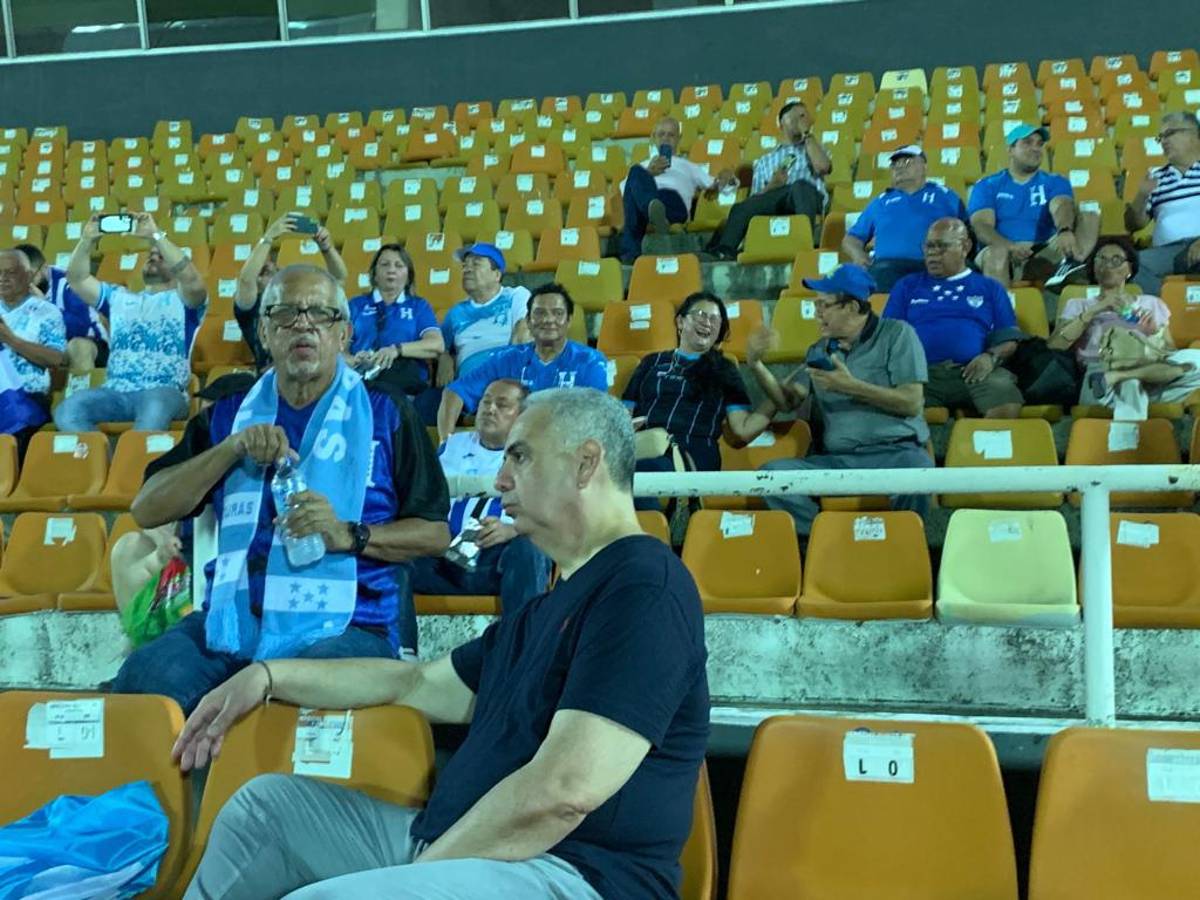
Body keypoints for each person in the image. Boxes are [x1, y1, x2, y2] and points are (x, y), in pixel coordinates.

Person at [174, 388, 709, 900]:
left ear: (586, 463)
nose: (500, 481)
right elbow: (415, 681)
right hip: (459, 849)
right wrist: (266, 676)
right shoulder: (544, 610)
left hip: (570, 872)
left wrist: (417, 879)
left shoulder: (644, 585)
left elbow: (565, 791)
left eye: (519, 458)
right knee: (264, 811)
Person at [109, 264, 450, 714]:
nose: (303, 324)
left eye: (320, 314)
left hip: (349, 625)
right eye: (286, 314)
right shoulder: (226, 416)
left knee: (293, 705)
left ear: (344, 334)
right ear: (265, 333)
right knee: (143, 683)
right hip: (232, 623)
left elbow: (435, 534)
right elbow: (147, 508)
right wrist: (229, 450)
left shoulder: (388, 414)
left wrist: (351, 535)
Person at [746, 263, 932, 536]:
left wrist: (852, 386)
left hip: (895, 455)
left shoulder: (897, 334)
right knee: (772, 475)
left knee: (919, 471)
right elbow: (787, 402)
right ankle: (829, 542)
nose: (816, 312)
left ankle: (904, 545)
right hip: (839, 461)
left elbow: (911, 402)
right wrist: (756, 364)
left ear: (853, 308)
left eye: (824, 305)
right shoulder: (819, 349)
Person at [56, 213, 206, 432]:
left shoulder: (185, 303)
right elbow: (77, 279)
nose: (153, 257)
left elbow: (192, 279)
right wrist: (87, 241)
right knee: (68, 410)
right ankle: (103, 462)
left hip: (164, 392)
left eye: (161, 256)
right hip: (116, 393)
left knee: (153, 408)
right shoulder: (119, 298)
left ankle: (135, 464)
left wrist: (156, 236)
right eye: (150, 255)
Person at [412, 378, 550, 617]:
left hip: (498, 561)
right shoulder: (452, 446)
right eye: (485, 402)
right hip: (444, 557)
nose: (489, 409)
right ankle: (400, 647)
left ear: (522, 415)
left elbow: (555, 515)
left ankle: (523, 645)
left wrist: (514, 530)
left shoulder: (539, 454)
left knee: (529, 547)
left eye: (502, 404)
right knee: (393, 556)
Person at [884, 218, 1025, 418]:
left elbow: (1008, 338)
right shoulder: (907, 286)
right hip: (920, 375)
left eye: (941, 246)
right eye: (929, 246)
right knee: (892, 403)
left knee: (1004, 396)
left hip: (974, 371)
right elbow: (889, 334)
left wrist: (990, 357)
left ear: (965, 246)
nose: (932, 253)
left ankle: (978, 448)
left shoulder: (989, 288)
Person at [623, 291, 774, 472]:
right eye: (701, 315)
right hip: (645, 446)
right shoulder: (652, 362)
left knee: (642, 472)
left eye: (715, 319)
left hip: (692, 453)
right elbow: (624, 414)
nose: (707, 322)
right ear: (680, 322)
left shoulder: (724, 369)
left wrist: (777, 399)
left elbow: (742, 429)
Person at [1050, 236, 1200, 418]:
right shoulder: (1079, 304)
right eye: (1101, 259)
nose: (1108, 265)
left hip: (1152, 371)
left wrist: (1152, 333)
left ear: (1129, 269)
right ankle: (1122, 383)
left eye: (1116, 260)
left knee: (1196, 357)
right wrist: (1095, 310)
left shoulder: (1151, 303)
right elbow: (1056, 344)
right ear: (1093, 268)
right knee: (1131, 386)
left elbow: (1169, 351)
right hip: (1102, 368)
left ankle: (1124, 376)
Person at [437, 283, 608, 442]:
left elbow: (595, 414)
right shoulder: (506, 359)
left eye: (557, 313)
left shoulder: (590, 361)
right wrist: (446, 442)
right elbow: (454, 392)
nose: (548, 320)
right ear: (528, 321)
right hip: (510, 451)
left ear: (569, 320)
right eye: (540, 313)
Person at [969, 123, 1100, 288]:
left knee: (1090, 216)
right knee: (995, 253)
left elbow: (1061, 206)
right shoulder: (988, 185)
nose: (1035, 148)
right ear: (1010, 149)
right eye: (1027, 142)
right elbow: (981, 225)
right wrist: (1010, 247)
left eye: (1039, 144)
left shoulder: (1054, 181)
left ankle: (1071, 265)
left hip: (1044, 252)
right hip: (1004, 254)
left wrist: (1065, 230)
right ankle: (1001, 309)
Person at [704, 101, 832, 261]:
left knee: (799, 186)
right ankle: (725, 250)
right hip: (777, 199)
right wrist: (772, 186)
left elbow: (822, 167)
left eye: (805, 116)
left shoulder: (815, 148)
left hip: (808, 197)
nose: (804, 119)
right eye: (798, 116)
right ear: (782, 123)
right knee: (740, 208)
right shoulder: (765, 160)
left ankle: (804, 244)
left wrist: (807, 134)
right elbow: (756, 201)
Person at [841, 145, 969, 292]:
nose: (899, 167)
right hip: (887, 268)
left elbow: (967, 231)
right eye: (895, 164)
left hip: (933, 264)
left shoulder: (945, 196)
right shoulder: (880, 202)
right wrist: (858, 255)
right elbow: (852, 238)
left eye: (907, 162)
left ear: (924, 166)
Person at [236, 212, 348, 371]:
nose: (274, 275)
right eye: (264, 273)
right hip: (273, 378)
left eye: (276, 270)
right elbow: (246, 280)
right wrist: (268, 237)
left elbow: (338, 279)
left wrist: (327, 248)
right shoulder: (251, 310)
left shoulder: (301, 302)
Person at [619, 116, 738, 262]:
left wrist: (728, 177)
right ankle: (654, 213)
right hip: (646, 209)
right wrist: (649, 173)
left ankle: (631, 253)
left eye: (671, 135)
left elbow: (718, 185)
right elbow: (624, 190)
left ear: (678, 139)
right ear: (654, 138)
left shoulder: (688, 166)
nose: (666, 139)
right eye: (661, 134)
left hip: (673, 204)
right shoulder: (643, 166)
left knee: (660, 196)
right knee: (635, 173)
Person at [347, 243, 443, 394]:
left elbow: (437, 345)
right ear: (374, 274)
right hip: (357, 379)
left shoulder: (419, 306)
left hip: (403, 382)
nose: (391, 270)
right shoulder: (355, 305)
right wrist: (355, 361)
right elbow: (337, 351)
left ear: (408, 275)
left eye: (399, 265)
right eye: (385, 264)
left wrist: (396, 350)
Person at [437, 242, 531, 387]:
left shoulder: (516, 295)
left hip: (507, 373)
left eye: (476, 264)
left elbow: (524, 333)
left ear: (497, 274)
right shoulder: (456, 312)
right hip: (469, 382)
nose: (467, 270)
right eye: (464, 266)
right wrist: (444, 358)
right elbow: (440, 346)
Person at [1127, 111, 1200, 295]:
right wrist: (1141, 196)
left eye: (1170, 134)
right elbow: (1133, 225)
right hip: (1169, 252)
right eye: (1161, 137)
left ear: (1194, 134)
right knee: (1133, 264)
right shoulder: (1156, 177)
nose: (1164, 141)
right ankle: (1166, 313)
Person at [15, 242, 109, 382]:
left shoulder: (71, 282)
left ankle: (83, 401)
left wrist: (46, 307)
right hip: (46, 348)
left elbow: (81, 327)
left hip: (90, 344)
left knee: (77, 347)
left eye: (30, 277)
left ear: (44, 269)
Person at [0, 249, 66, 447]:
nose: (2, 279)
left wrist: (11, 340)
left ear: (28, 276)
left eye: (10, 273)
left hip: (26, 397)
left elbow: (56, 358)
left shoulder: (46, 312)